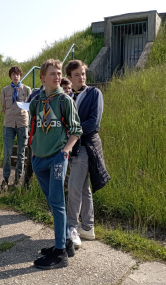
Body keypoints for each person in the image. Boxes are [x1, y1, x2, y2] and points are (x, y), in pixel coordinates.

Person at [29, 59, 82, 269]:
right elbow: (33, 125)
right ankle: (65, 242)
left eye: (59, 73)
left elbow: (76, 130)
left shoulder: (65, 100)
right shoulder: (36, 101)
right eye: (53, 73)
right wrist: (33, 149)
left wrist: (66, 151)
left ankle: (60, 254)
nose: (57, 76)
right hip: (38, 159)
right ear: (43, 78)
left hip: (57, 159)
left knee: (58, 203)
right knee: (52, 202)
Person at [65, 59, 110, 248]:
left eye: (83, 74)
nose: (81, 77)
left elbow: (94, 123)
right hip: (73, 147)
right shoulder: (68, 97)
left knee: (74, 187)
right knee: (84, 188)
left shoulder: (94, 93)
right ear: (69, 77)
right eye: (77, 75)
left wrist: (71, 131)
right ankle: (88, 227)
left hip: (85, 146)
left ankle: (71, 228)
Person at [0, 66, 31, 191]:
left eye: (17, 74)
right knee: (7, 153)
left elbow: (30, 107)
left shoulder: (27, 89)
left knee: (21, 152)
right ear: (10, 76)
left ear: (20, 75)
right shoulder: (5, 90)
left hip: (23, 123)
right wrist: (11, 114)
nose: (15, 76)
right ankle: (6, 179)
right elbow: (3, 108)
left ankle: (18, 179)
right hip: (8, 124)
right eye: (13, 74)